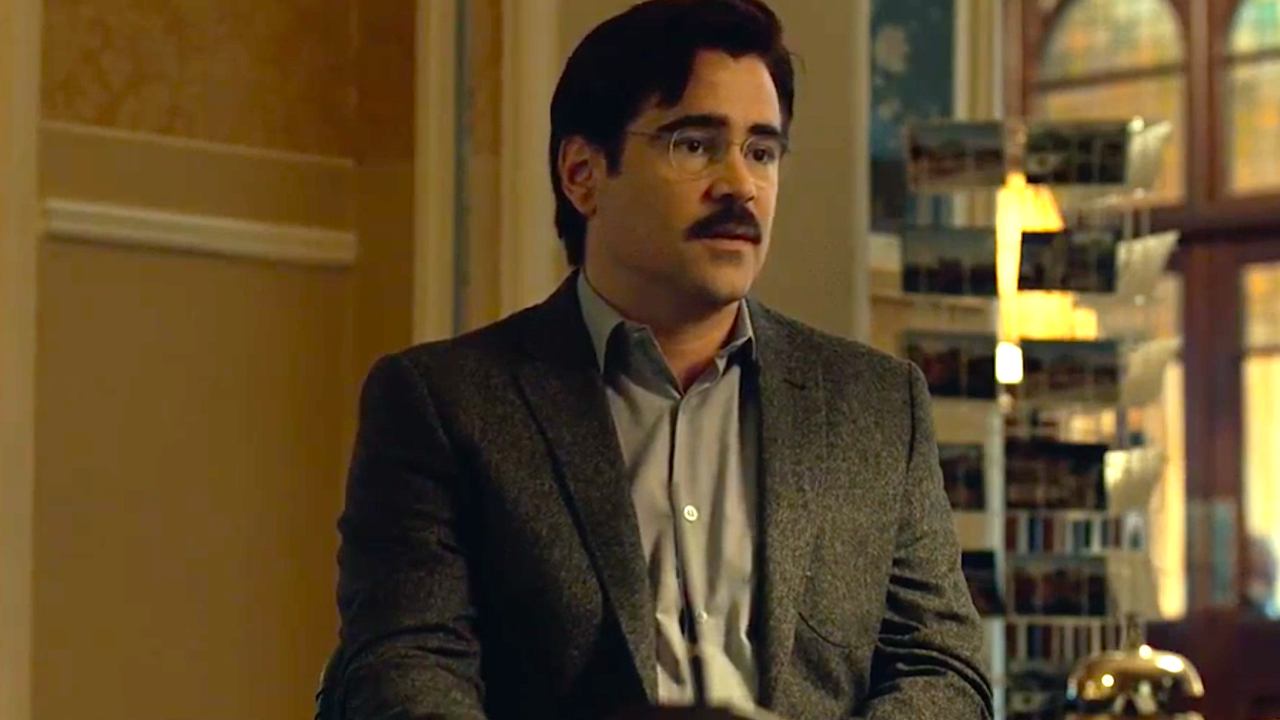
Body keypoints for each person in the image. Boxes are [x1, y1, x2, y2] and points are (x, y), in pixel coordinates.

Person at [320, 1, 992, 719]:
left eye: (762, 152)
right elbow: (404, 670)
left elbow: (945, 671)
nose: (740, 184)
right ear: (582, 174)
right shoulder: (443, 404)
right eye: (695, 145)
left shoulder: (877, 405)